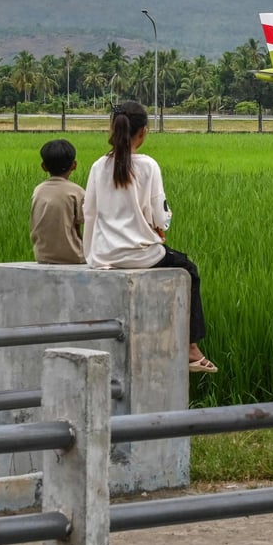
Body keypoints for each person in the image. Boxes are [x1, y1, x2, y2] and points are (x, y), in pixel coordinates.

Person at [83, 101, 217, 373]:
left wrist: (93, 253)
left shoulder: (99, 166)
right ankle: (191, 348)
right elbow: (160, 214)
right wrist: (159, 228)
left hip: (103, 255)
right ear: (143, 132)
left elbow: (89, 212)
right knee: (188, 268)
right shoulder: (147, 166)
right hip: (141, 255)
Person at [30, 138, 85, 264]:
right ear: (74, 165)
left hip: (42, 256)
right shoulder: (76, 192)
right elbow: (90, 221)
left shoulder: (38, 191)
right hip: (75, 256)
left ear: (44, 167)